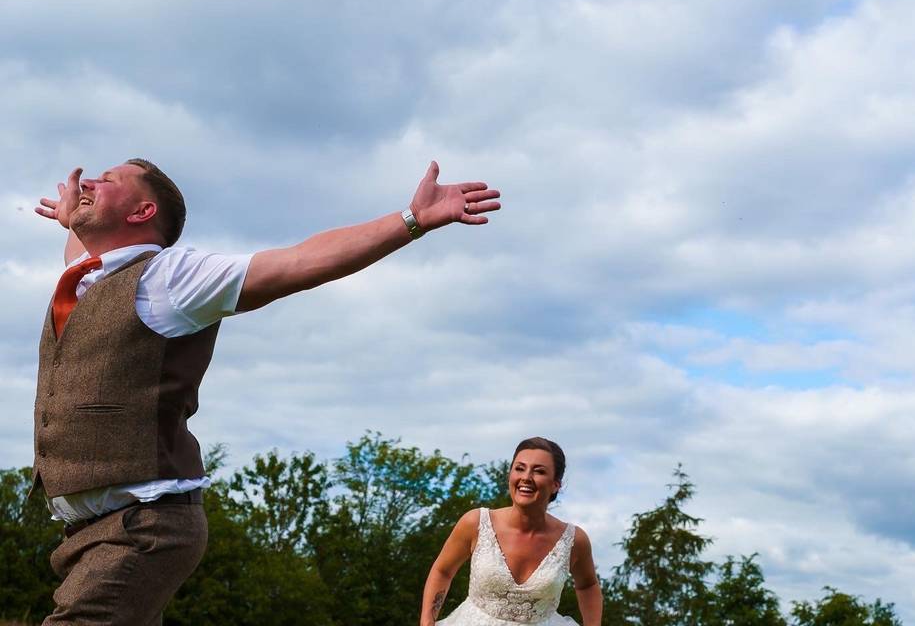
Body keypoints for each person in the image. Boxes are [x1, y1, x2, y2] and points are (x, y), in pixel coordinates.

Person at [32, 158, 501, 625]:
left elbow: (300, 260)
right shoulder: (85, 278)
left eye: (107, 180)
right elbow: (82, 249)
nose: (86, 181)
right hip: (87, 534)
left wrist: (411, 220)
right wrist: (71, 220)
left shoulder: (170, 278)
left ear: (142, 212)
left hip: (143, 527)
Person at [420, 437, 603, 626]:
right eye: (519, 468)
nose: (526, 477)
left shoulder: (574, 541)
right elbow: (443, 571)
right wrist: (427, 620)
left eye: (539, 471)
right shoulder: (475, 523)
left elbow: (588, 585)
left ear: (556, 484)